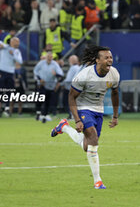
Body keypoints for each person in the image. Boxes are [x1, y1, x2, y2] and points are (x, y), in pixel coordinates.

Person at [50, 45, 120, 189]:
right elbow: (71, 97)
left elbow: (114, 93)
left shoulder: (114, 74)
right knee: (93, 139)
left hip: (98, 111)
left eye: (111, 57)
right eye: (106, 57)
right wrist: (76, 119)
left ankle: (64, 127)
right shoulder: (84, 75)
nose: (110, 60)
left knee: (88, 147)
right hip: (82, 108)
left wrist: (115, 116)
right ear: (97, 60)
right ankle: (98, 181)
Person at [34, 51, 64, 123]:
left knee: (47, 100)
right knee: (40, 99)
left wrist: (55, 74)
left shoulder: (55, 64)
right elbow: (35, 71)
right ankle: (38, 112)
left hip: (50, 85)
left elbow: (61, 75)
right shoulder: (41, 63)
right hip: (42, 84)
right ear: (46, 57)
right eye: (48, 56)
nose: (49, 58)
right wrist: (39, 79)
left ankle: (44, 115)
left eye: (50, 57)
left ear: (52, 58)